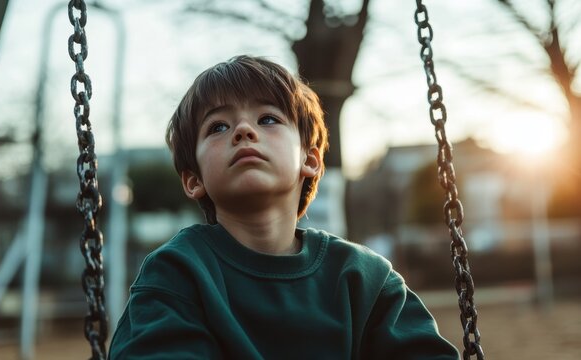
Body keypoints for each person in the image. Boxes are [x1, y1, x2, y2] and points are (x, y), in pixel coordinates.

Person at [108, 55, 459, 359]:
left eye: (268, 119)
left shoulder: (363, 278)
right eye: (218, 126)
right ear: (193, 180)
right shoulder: (177, 273)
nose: (244, 130)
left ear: (310, 159)